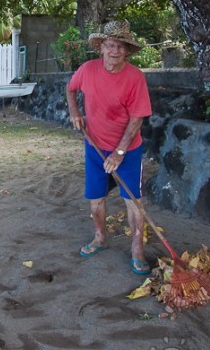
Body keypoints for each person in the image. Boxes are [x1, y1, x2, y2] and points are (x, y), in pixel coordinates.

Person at [66, 20, 153, 275]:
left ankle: (137, 248)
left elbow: (137, 118)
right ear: (101, 47)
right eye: (110, 45)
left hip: (128, 149)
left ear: (127, 51)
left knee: (134, 201)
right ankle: (100, 237)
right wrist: (75, 112)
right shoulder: (87, 70)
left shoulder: (135, 78)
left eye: (120, 47)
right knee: (96, 200)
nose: (115, 51)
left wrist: (119, 153)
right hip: (94, 145)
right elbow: (71, 90)